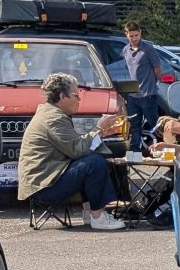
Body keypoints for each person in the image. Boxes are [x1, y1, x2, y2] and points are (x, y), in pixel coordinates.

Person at [17, 72, 126, 231]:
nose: (79, 99)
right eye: (76, 95)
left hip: (44, 181)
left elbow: (74, 146)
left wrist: (100, 133)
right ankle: (98, 217)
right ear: (62, 96)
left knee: (89, 160)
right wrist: (99, 128)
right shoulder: (54, 119)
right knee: (94, 162)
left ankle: (90, 212)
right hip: (44, 187)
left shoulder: (50, 113)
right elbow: (77, 150)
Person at [118, 21, 165, 152]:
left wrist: (154, 81)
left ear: (140, 34)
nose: (134, 38)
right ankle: (135, 152)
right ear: (126, 35)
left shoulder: (148, 49)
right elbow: (128, 69)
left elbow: (157, 68)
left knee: (154, 124)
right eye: (131, 36)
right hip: (133, 94)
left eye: (136, 35)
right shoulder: (126, 50)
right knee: (134, 125)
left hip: (148, 94)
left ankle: (163, 147)